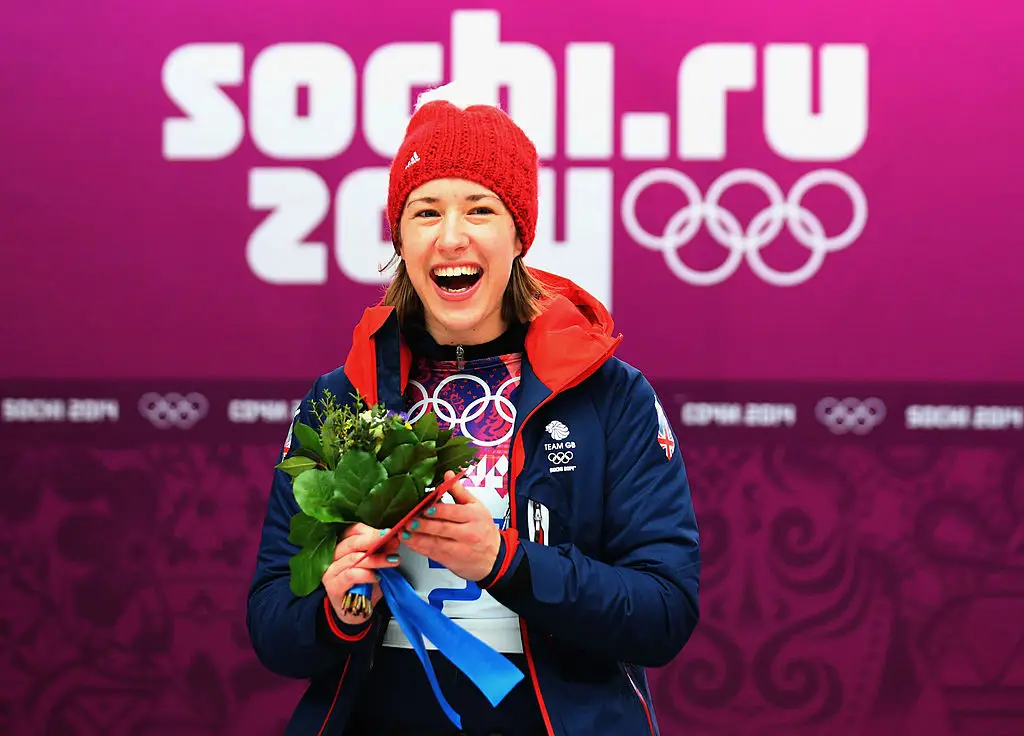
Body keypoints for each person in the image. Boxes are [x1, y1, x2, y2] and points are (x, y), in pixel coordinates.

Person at [246, 81, 701, 736]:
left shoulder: (611, 396)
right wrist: (334, 609)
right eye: (426, 212)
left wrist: (504, 563)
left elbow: (663, 613)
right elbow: (271, 624)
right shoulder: (342, 398)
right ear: (399, 236)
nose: (452, 236)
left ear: (520, 234)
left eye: (480, 210)